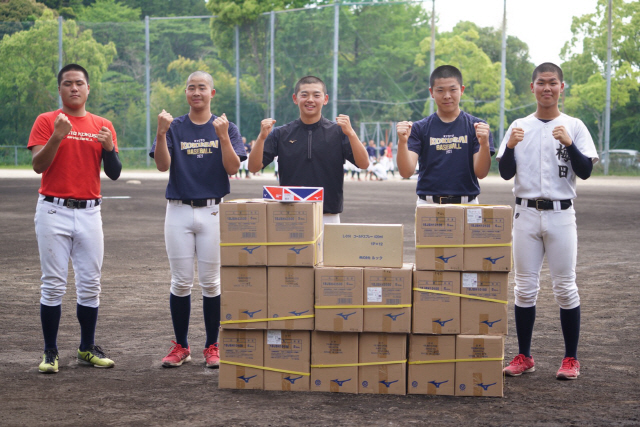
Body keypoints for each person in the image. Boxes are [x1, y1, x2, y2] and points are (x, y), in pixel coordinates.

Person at [497, 63, 598, 380]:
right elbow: (504, 172)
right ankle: (524, 356)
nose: (547, 88)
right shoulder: (518, 125)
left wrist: (569, 142)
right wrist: (510, 145)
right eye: (541, 83)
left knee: (565, 288)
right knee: (524, 289)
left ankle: (571, 359)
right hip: (525, 212)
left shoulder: (574, 126)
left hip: (561, 213)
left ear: (561, 87)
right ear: (532, 87)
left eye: (553, 83)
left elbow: (585, 171)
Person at [28, 63, 122, 374]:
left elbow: (114, 173)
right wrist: (57, 136)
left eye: (79, 83)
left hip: (89, 212)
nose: (74, 88)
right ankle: (50, 351)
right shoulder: (46, 121)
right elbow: (38, 166)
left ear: (88, 88)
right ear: (60, 89)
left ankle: (86, 347)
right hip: (53, 210)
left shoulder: (102, 124)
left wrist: (109, 147)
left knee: (90, 284)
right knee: (53, 285)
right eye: (67, 83)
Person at [150, 71, 246, 369]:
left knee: (211, 282)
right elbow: (162, 165)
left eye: (202, 88)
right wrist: (162, 132)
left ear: (212, 93)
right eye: (191, 87)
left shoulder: (225, 127)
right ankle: (181, 346)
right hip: (178, 209)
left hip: (213, 210)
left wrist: (222, 136)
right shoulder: (175, 126)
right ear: (186, 92)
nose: (196, 93)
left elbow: (233, 166)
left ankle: (211, 346)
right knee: (180, 282)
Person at [248, 75, 369, 223]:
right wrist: (261, 138)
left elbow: (364, 164)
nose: (310, 99)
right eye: (304, 95)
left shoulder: (339, 132)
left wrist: (351, 133)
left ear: (325, 99)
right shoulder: (281, 133)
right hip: (289, 214)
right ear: (295, 98)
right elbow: (253, 167)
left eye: (316, 95)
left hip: (328, 216)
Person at [396, 65, 494, 205]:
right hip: (429, 204)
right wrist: (402, 142)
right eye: (440, 90)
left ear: (462, 90)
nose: (447, 96)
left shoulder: (477, 127)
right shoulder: (419, 128)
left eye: (453, 89)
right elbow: (406, 172)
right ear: (431, 92)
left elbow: (481, 173)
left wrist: (484, 144)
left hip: (467, 204)